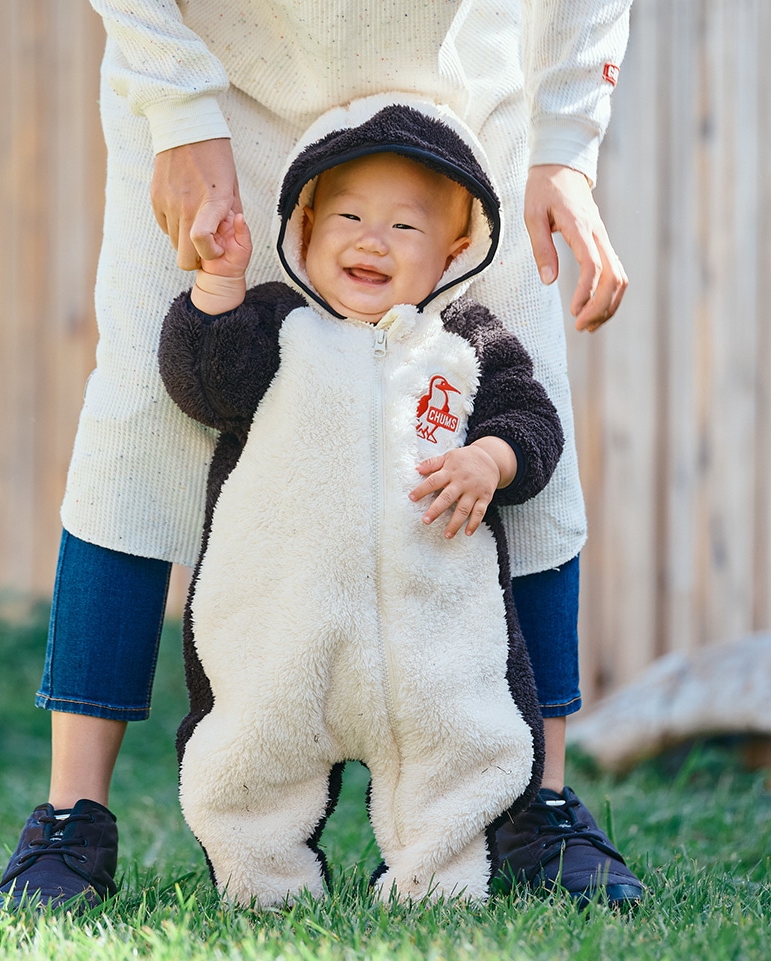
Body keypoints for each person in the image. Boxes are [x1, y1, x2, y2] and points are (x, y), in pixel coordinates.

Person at [0, 0, 641, 910]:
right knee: (143, 416)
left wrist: (567, 138)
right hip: (216, 87)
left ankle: (539, 806)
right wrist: (178, 104)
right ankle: (71, 820)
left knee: (503, 405)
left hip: (461, 114)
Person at [160, 98, 563, 906]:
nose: (372, 239)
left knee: (455, 751)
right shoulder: (278, 327)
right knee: (250, 753)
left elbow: (533, 420)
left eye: (406, 228)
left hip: (430, 636)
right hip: (284, 626)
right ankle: (258, 879)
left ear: (456, 249)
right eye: (346, 214)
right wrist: (221, 281)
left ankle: (438, 877)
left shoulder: (466, 343)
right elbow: (204, 384)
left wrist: (493, 455)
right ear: (303, 227)